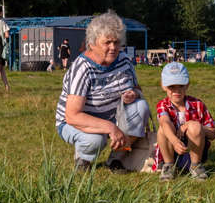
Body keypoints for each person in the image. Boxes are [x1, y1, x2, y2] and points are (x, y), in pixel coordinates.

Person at [55, 11, 150, 172]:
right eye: (107, 43)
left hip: (114, 116)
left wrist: (134, 93)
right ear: (92, 44)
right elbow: (72, 115)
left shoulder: (124, 60)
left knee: (141, 107)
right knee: (95, 140)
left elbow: (137, 88)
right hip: (75, 122)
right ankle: (83, 159)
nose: (113, 47)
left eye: (116, 42)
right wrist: (110, 128)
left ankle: (117, 158)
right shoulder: (82, 68)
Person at [154, 62, 215, 181]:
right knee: (163, 128)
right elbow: (164, 121)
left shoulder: (198, 104)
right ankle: (169, 165)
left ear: (187, 85)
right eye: (172, 87)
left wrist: (193, 125)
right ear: (163, 86)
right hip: (171, 149)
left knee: (195, 126)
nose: (176, 91)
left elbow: (213, 133)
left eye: (181, 86)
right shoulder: (163, 105)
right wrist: (174, 141)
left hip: (194, 150)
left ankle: (196, 166)